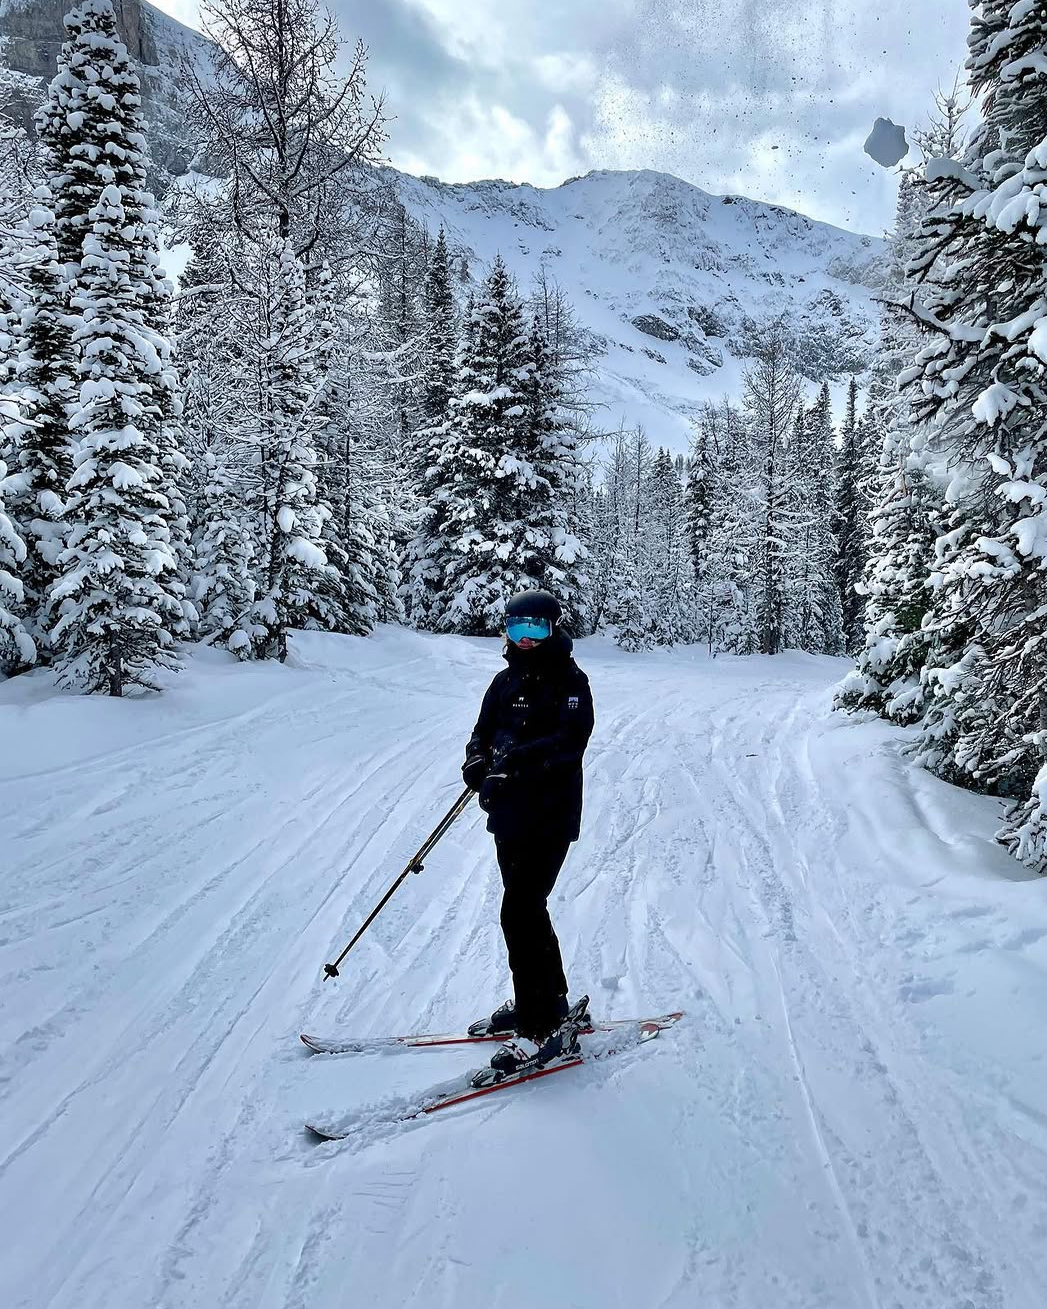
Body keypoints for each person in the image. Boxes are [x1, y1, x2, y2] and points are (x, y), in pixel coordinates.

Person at [462, 589, 595, 1071]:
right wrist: (477, 762)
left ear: (554, 628)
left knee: (518, 911)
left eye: (535, 628)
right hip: (509, 815)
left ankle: (539, 1029)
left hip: (550, 815)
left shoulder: (571, 683)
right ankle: (547, 1000)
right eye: (516, 628)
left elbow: (567, 745)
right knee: (528, 910)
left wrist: (512, 764)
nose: (524, 638)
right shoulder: (503, 682)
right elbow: (482, 730)